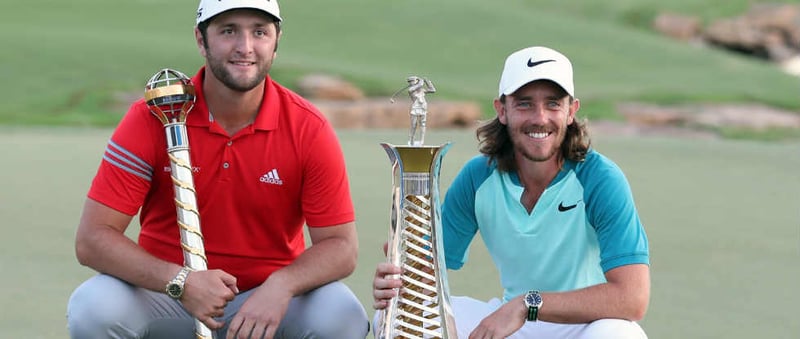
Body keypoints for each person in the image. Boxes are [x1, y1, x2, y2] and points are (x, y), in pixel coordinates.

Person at [66, 0, 369, 338]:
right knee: (94, 308)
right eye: (228, 31)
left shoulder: (308, 128)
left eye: (260, 32)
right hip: (169, 296)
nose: (245, 47)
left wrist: (282, 285)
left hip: (268, 301)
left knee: (341, 315)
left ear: (276, 41)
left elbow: (341, 247)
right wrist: (181, 281)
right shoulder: (153, 115)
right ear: (201, 40)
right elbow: (93, 239)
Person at [372, 46, 650, 338]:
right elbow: (424, 269)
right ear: (502, 110)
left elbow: (632, 297)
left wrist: (526, 305)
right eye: (525, 104)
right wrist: (397, 281)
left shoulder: (600, 178)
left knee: (620, 335)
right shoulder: (479, 177)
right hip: (514, 327)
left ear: (571, 111)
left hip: (585, 326)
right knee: (399, 315)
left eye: (553, 104)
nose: (540, 118)